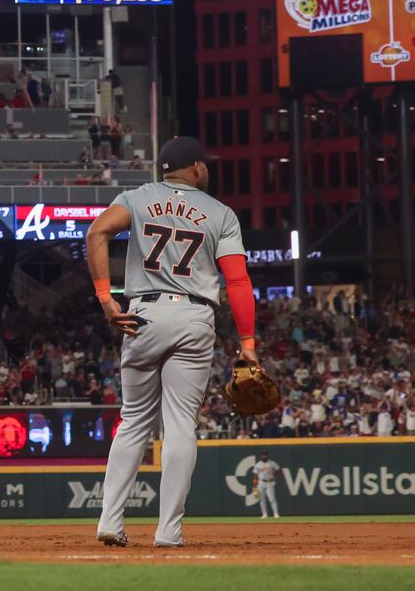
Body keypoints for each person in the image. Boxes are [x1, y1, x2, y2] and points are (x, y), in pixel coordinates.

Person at [86, 135, 257, 549]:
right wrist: (248, 341)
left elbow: (96, 233)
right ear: (197, 167)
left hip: (141, 313)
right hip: (193, 314)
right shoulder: (220, 213)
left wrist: (106, 298)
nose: (209, 169)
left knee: (133, 422)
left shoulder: (137, 197)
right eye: (207, 163)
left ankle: (110, 522)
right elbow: (236, 280)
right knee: (180, 424)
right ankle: (168, 532)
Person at [252, 453, 282, 518]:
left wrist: (274, 477)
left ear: (267, 456)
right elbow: (255, 475)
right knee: (262, 499)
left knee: (272, 499)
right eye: (263, 455)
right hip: (261, 482)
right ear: (261, 456)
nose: (264, 456)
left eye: (265, 455)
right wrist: (254, 485)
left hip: (269, 482)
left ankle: (276, 514)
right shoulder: (258, 464)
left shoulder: (271, 463)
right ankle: (264, 514)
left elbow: (278, 470)